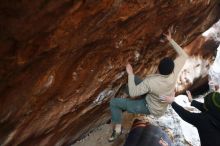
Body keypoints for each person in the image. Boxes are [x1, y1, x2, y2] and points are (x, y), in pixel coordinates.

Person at [108, 29, 189, 142]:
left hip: (150, 106)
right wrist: (170, 40)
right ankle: (126, 105)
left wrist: (130, 73)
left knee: (114, 102)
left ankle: (117, 129)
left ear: (158, 69)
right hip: (158, 101)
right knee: (133, 82)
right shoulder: (173, 72)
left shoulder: (151, 82)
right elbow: (184, 55)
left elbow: (133, 92)